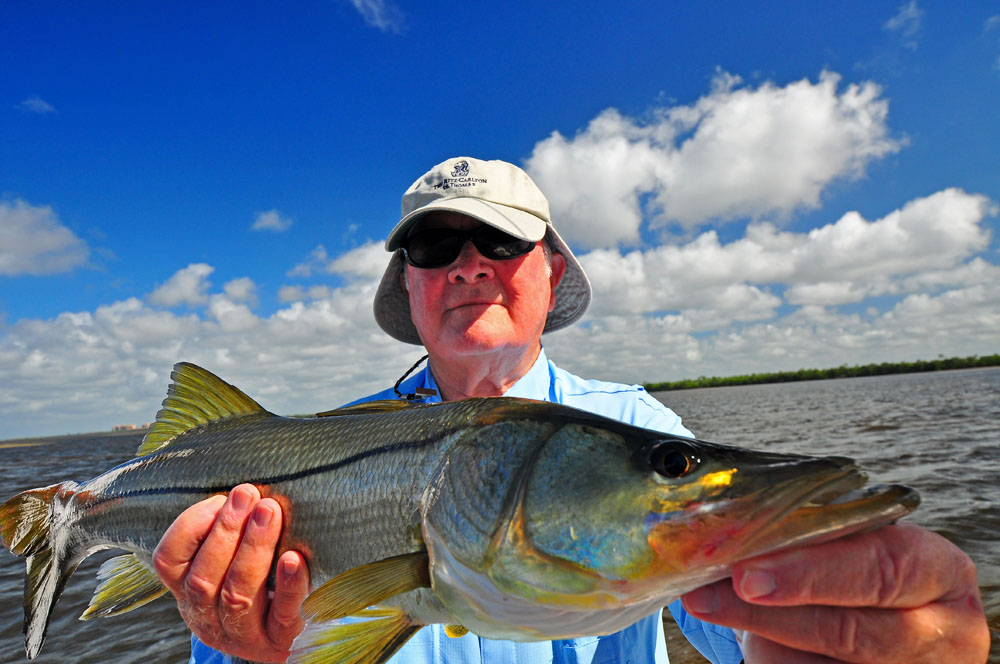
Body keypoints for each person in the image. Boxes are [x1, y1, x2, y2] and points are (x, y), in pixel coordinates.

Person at [153, 157, 990, 664]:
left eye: (503, 242)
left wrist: (824, 638)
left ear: (552, 272)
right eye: (434, 247)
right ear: (407, 287)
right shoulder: (310, 448)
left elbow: (736, 619)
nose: (470, 265)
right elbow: (237, 640)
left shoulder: (640, 422)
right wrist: (243, 651)